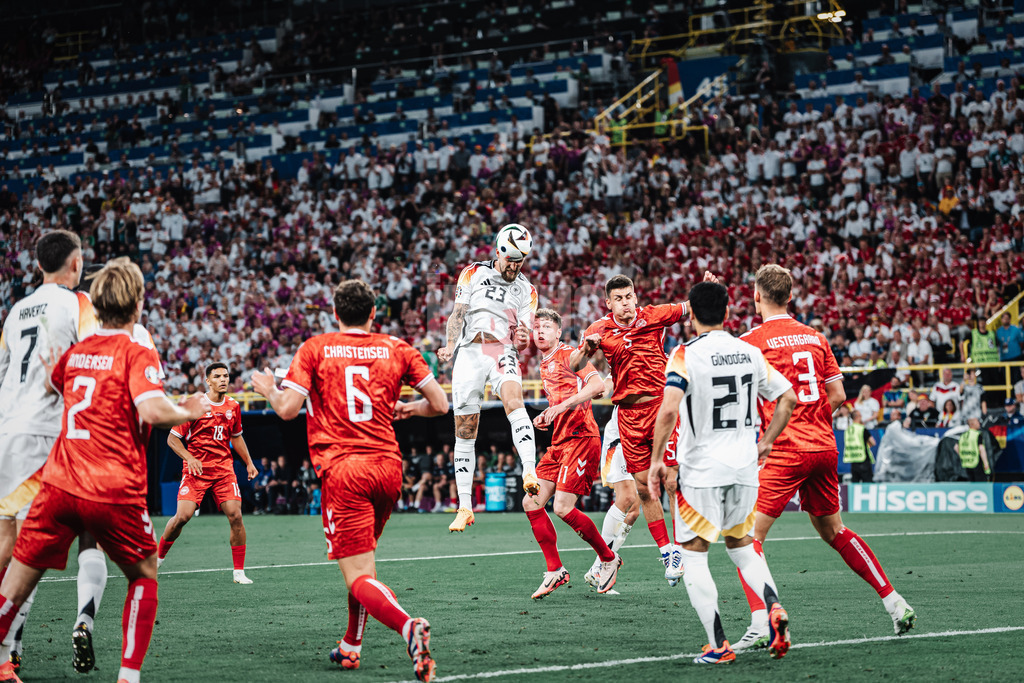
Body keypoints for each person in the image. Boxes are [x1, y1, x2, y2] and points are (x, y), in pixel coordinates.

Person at [0, 257, 209, 683]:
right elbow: (151, 409)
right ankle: (127, 676)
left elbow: (50, 384)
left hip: (59, 482)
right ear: (138, 304)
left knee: (14, 585)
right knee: (145, 573)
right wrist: (184, 408)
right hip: (112, 487)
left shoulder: (76, 350)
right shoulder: (137, 349)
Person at [251, 279, 448, 681]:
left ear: (335, 313)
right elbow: (441, 404)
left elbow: (288, 409)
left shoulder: (316, 347)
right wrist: (409, 408)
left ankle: (408, 626)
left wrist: (270, 389)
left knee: (357, 574)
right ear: (374, 313)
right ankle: (350, 647)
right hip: (389, 469)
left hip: (345, 470)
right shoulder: (397, 347)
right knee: (363, 566)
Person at [733, 265, 915, 652]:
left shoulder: (751, 341)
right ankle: (894, 602)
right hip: (824, 447)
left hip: (784, 449)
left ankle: (763, 619)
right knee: (835, 530)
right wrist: (812, 423)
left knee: (747, 538)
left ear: (756, 296)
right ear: (791, 296)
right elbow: (836, 396)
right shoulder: (816, 337)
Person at [648, 281, 798, 663]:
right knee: (743, 547)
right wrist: (767, 442)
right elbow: (787, 398)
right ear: (728, 313)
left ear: (691, 316)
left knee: (695, 555)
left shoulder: (685, 354)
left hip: (701, 470)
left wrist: (656, 460)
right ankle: (774, 608)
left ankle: (719, 645)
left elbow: (667, 411)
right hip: (746, 467)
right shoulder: (749, 352)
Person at [570, 273, 714, 585]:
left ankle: (682, 547)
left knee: (672, 481)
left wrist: (706, 286)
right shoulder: (598, 330)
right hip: (628, 416)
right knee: (644, 487)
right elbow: (572, 364)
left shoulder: (654, 315)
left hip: (661, 409)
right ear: (608, 304)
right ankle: (668, 554)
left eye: (629, 296)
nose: (625, 303)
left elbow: (692, 307)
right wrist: (586, 350)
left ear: (636, 297)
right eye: (618, 299)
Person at [0, 230, 95, 675]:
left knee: (6, 545)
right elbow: (98, 354)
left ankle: (7, 653)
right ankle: (4, 657)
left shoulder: (16, 310)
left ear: (39, 264)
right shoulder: (77, 304)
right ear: (75, 264)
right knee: (30, 552)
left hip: (6, 430)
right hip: (44, 432)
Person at [436, 224, 540, 532]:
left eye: (520, 262)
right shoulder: (472, 273)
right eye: (510, 260)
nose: (514, 266)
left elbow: (523, 342)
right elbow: (458, 313)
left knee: (513, 400)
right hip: (468, 352)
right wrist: (450, 345)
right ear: (498, 252)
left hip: (500, 350)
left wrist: (523, 338)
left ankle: (529, 473)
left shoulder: (527, 291)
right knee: (465, 428)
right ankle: (465, 506)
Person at [523, 309, 620, 598]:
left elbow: (597, 386)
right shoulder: (544, 364)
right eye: (536, 327)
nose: (540, 331)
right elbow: (562, 400)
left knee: (563, 507)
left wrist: (561, 407)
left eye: (546, 327)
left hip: (581, 438)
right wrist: (546, 415)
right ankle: (555, 571)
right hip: (559, 442)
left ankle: (608, 558)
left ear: (557, 332)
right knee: (531, 502)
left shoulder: (569, 354)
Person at [157, 362, 259, 584]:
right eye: (218, 376)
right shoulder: (195, 405)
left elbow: (236, 436)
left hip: (223, 470)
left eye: (226, 375)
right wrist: (190, 458)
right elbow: (172, 439)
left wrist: (249, 462)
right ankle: (158, 557)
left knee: (236, 515)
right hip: (197, 470)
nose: (223, 379)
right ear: (208, 381)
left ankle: (239, 572)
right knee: (182, 518)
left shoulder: (233, 406)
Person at [843, 410, 877, 483]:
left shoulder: (847, 430)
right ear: (857, 417)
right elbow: (873, 442)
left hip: (853, 460)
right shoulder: (861, 428)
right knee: (868, 484)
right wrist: (868, 445)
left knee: (855, 484)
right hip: (863, 459)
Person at [955, 416, 991, 482]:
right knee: (980, 484)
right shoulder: (977, 434)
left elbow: (956, 447)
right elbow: (981, 449)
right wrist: (986, 464)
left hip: (966, 463)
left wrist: (963, 456)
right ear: (972, 424)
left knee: (970, 483)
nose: (979, 423)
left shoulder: (963, 435)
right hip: (976, 463)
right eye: (977, 422)